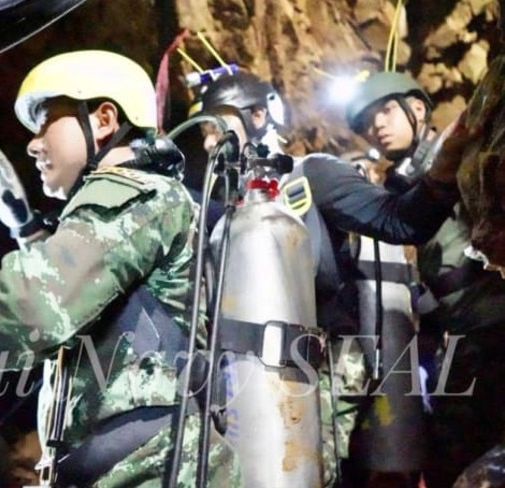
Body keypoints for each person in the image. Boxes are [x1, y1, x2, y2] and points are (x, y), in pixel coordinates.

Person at [0, 49, 242, 487]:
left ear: (103, 119)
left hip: (158, 472)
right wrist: (25, 227)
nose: (33, 142)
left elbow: (39, 302)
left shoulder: (144, 194)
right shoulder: (137, 208)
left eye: (46, 122)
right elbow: (90, 300)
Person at [191, 69, 469, 488]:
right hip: (246, 374)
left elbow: (398, 223)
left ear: (257, 117)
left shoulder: (312, 175)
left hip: (324, 366)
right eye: (204, 132)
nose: (209, 141)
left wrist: (444, 170)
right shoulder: (224, 211)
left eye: (216, 125)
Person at [346, 70, 505, 488]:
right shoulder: (405, 185)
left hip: (487, 319)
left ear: (417, 108)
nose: (375, 126)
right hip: (457, 327)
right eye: (366, 123)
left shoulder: (456, 154)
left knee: (459, 448)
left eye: (384, 111)